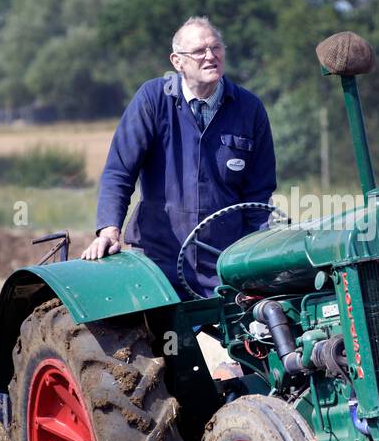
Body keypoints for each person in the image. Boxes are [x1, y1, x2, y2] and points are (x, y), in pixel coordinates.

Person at [81, 16, 276, 299]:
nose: (211, 56)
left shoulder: (249, 108)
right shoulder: (152, 99)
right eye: (199, 51)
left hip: (224, 262)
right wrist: (109, 231)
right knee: (148, 337)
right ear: (177, 61)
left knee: (267, 326)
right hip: (157, 261)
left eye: (216, 48)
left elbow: (258, 194)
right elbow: (120, 172)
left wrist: (256, 256)